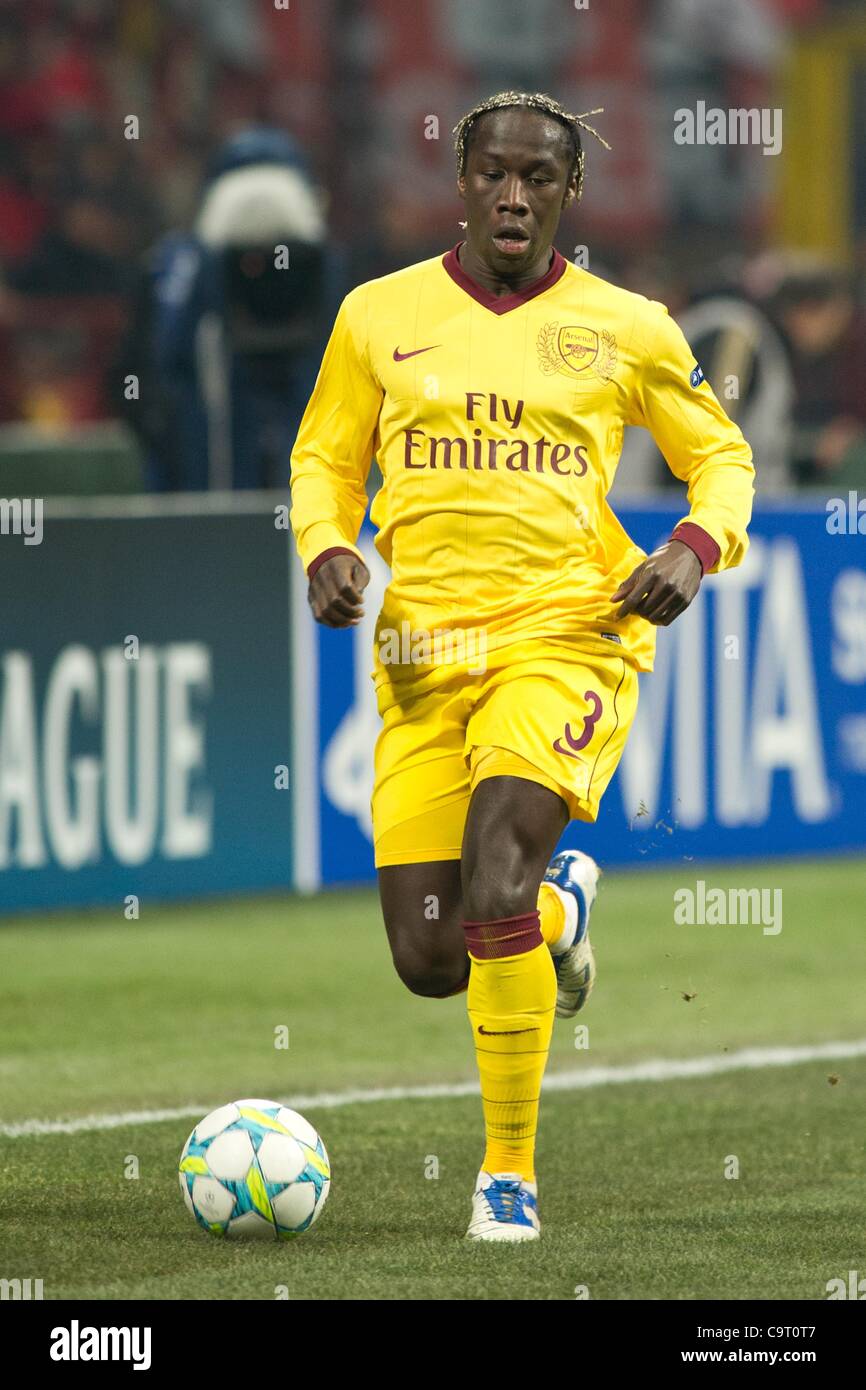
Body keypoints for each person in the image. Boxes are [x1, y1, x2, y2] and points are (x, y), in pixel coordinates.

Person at [290, 91, 754, 1241]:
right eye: (492, 173)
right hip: (418, 663)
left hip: (566, 638)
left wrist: (692, 552)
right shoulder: (374, 315)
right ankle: (560, 909)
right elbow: (322, 459)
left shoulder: (628, 325)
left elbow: (722, 456)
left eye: (537, 178)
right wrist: (328, 547)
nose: (512, 195)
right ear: (459, 180)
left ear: (568, 193)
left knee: (493, 867)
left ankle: (506, 1173)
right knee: (433, 955)